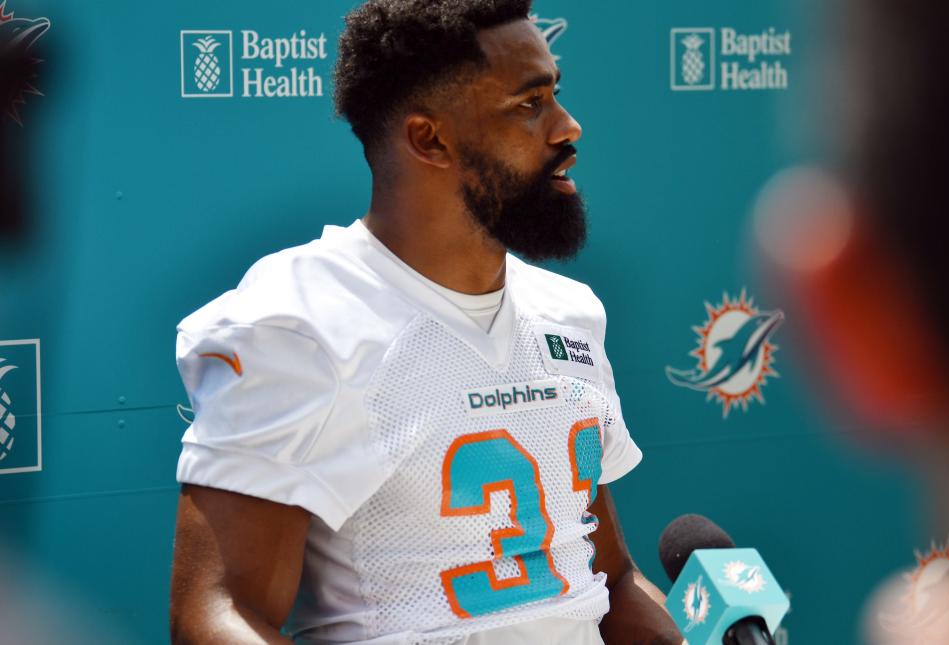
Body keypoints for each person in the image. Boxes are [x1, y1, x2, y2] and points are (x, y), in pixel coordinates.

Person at [169, 1, 681, 643]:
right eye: (529, 105)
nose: (567, 127)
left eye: (556, 96)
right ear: (428, 139)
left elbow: (606, 581)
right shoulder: (301, 319)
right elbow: (217, 613)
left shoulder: (569, 312)